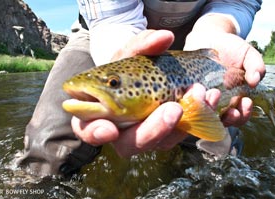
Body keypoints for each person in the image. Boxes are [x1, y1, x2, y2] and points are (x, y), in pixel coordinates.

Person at [16, 0, 264, 177]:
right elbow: (114, 20)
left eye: (113, 85)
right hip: (104, 30)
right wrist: (115, 71)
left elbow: (238, 2)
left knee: (219, 159)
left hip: (204, 38)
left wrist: (216, 33)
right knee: (45, 145)